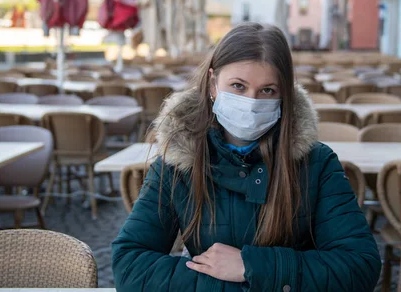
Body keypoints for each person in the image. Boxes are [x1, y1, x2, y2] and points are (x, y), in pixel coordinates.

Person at [112, 23, 381, 291]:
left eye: (267, 91)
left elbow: (359, 266)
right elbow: (129, 264)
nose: (252, 103)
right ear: (213, 84)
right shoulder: (179, 161)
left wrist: (250, 266)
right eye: (238, 86)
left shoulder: (317, 163)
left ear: (283, 94)